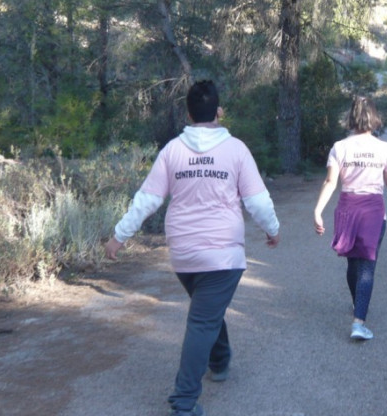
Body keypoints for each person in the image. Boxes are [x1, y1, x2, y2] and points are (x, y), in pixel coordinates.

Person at [104, 80, 280, 416]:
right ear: (219, 111)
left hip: (184, 255)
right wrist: (273, 230)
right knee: (203, 320)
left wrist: (119, 235)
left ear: (188, 113)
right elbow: (257, 201)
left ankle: (220, 359)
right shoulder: (236, 150)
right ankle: (183, 403)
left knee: (206, 311)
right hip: (223, 254)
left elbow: (148, 200)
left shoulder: (172, 150)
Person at [313, 96, 387, 341]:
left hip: (347, 209)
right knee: (367, 266)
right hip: (372, 211)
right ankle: (359, 322)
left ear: (351, 117)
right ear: (374, 117)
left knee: (353, 263)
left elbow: (331, 182)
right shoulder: (384, 148)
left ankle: (358, 306)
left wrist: (318, 210)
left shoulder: (340, 147)